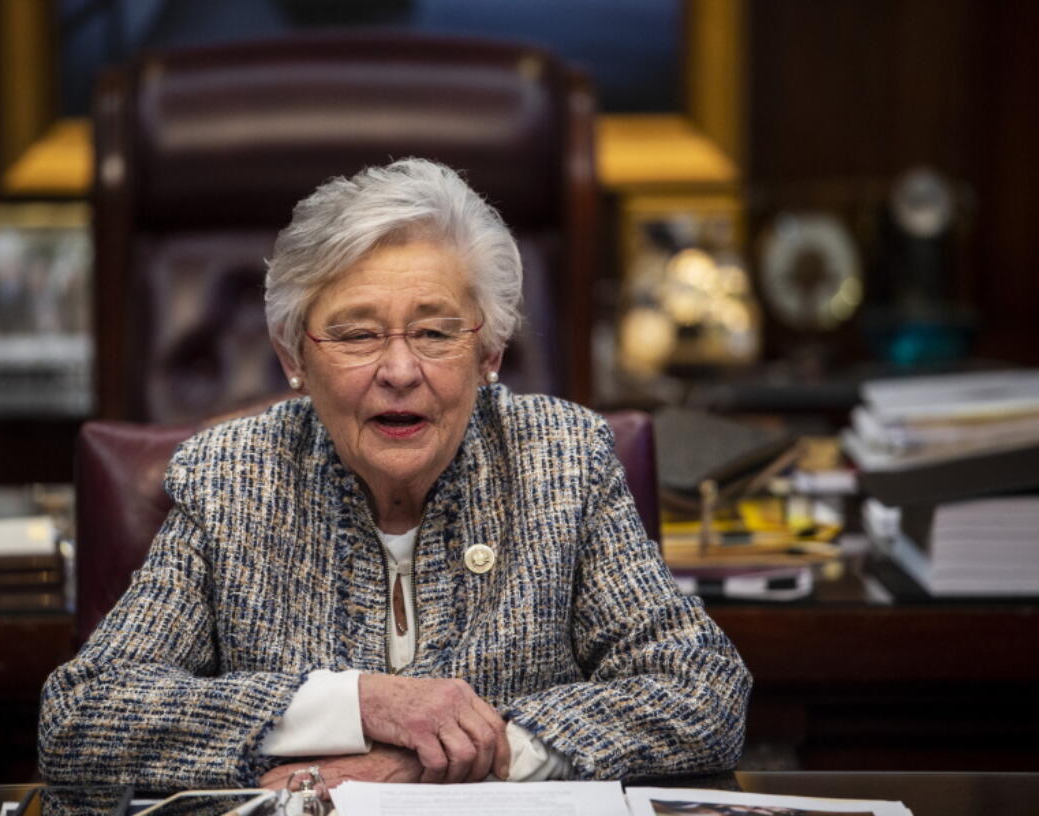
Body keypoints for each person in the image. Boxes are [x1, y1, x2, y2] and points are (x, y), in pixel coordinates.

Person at [38, 158, 751, 791]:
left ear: (490, 353)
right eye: (356, 334)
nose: (401, 371)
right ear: (294, 358)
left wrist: (454, 757)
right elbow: (83, 717)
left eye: (437, 332)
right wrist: (359, 703)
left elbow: (704, 690)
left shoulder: (562, 460)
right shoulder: (233, 480)